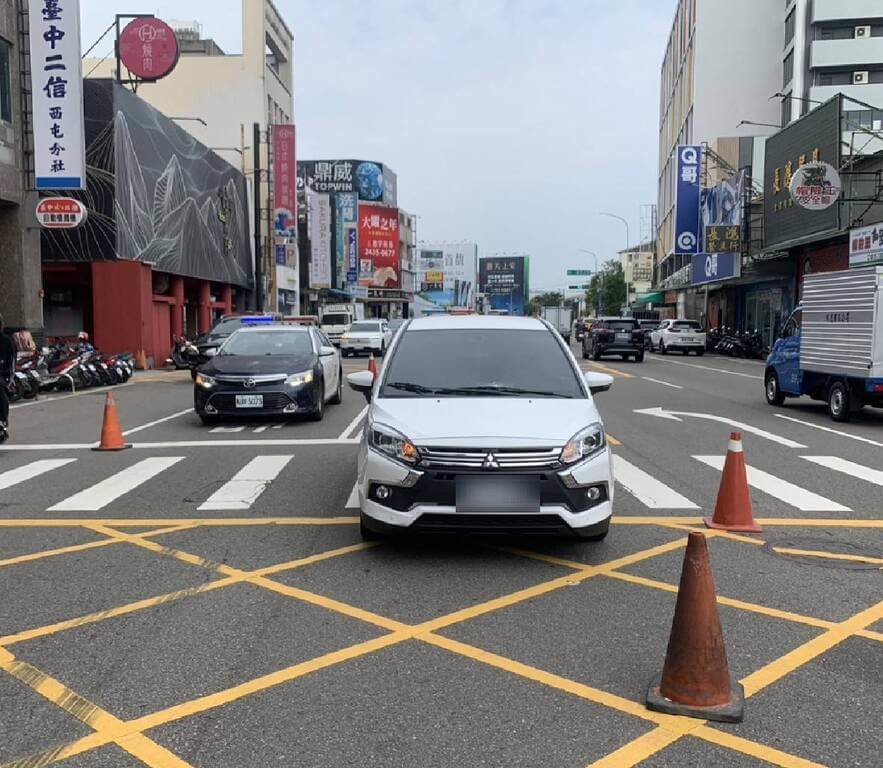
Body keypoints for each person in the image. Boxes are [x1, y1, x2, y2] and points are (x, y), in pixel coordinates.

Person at [0, 314, 15, 443]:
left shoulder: (6, 340)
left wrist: (8, 377)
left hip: (2, 375)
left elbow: (11, 361)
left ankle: (2, 420)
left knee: (1, 394)